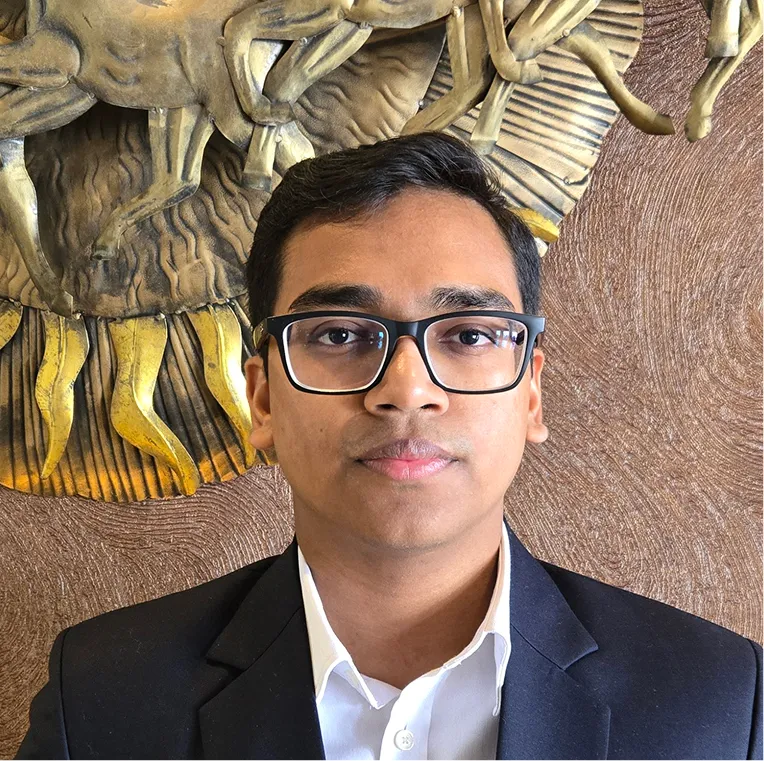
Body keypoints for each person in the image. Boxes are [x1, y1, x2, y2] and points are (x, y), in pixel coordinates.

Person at [16, 132, 762, 760]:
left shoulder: (719, 704)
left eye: (468, 336)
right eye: (341, 334)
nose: (407, 390)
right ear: (263, 397)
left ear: (531, 392)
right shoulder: (105, 702)